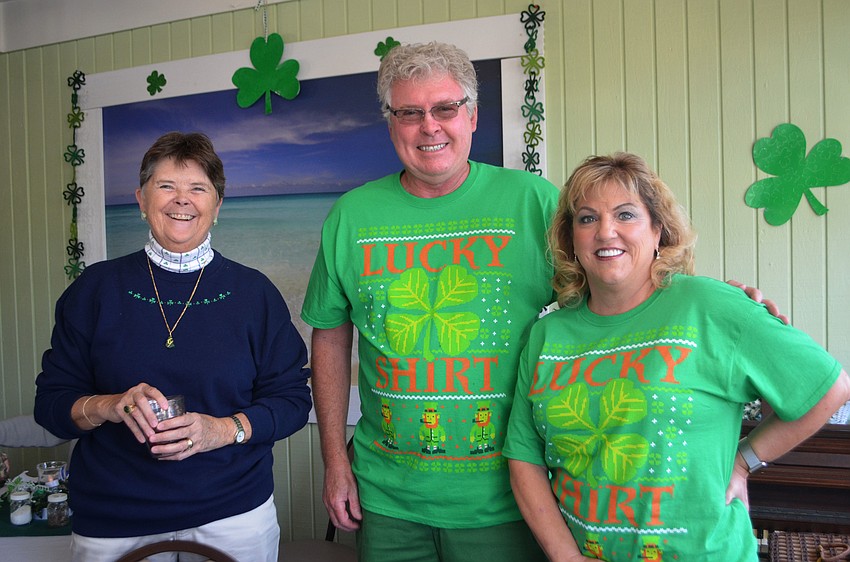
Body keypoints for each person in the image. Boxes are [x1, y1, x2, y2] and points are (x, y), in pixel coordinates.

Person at [300, 42, 784, 562]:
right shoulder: (351, 217)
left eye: (445, 108)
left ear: (472, 116)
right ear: (390, 122)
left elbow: (615, 286)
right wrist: (335, 460)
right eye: (409, 113)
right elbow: (329, 332)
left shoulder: (532, 201)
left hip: (512, 496)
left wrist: (715, 303)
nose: (429, 126)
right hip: (387, 497)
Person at [503, 152, 850, 561]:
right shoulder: (547, 335)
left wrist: (744, 461)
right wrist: (567, 556)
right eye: (587, 218)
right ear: (570, 239)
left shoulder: (710, 305)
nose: (605, 231)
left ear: (658, 231)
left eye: (626, 215)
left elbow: (828, 387)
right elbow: (524, 459)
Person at [34, 131, 312, 562]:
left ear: (216, 206)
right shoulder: (95, 290)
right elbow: (51, 404)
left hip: (233, 513)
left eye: (198, 188)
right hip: (116, 516)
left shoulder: (253, 293)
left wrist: (222, 430)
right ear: (141, 199)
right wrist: (111, 405)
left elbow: (293, 400)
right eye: (166, 186)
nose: (182, 200)